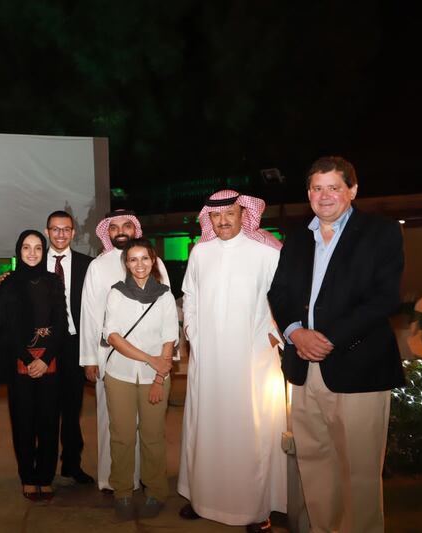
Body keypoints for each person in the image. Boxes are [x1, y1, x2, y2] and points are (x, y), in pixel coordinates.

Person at [268, 156, 405, 533]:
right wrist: (295, 332)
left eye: (333, 187)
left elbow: (385, 298)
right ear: (308, 193)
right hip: (304, 370)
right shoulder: (297, 238)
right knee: (314, 465)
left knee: (359, 472)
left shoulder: (381, 232)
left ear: (352, 190)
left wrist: (327, 339)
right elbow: (278, 293)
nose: (324, 195)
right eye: (316, 187)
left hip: (360, 369)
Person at [177, 190, 286, 533]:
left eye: (230, 215)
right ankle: (202, 497)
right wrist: (192, 330)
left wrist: (273, 334)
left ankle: (255, 510)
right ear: (207, 219)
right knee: (205, 425)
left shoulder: (265, 252)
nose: (222, 222)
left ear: (244, 215)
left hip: (250, 358)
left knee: (249, 430)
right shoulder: (200, 253)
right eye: (215, 217)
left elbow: (283, 298)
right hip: (208, 358)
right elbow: (189, 295)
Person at [80, 209, 170, 491]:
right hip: (111, 359)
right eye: (114, 226)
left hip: (152, 362)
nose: (120, 230)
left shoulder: (157, 266)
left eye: (127, 225)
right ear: (107, 232)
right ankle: (115, 482)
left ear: (136, 230)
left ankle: (148, 478)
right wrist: (89, 358)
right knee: (116, 426)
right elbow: (90, 315)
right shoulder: (98, 266)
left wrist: (163, 364)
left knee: (151, 430)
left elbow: (166, 318)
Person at [103, 238, 179, 521]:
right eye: (133, 259)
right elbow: (113, 336)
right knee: (121, 436)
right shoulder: (116, 294)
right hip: (119, 375)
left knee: (153, 438)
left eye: (144, 258)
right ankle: (122, 491)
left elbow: (169, 338)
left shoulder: (165, 296)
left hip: (154, 378)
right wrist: (149, 359)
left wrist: (159, 377)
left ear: (154, 260)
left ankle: (156, 492)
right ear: (126, 263)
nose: (139, 264)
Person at [0, 230, 68, 500]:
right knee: (23, 422)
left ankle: (46, 476)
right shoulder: (8, 284)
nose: (32, 253)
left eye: (38, 247)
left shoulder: (53, 281)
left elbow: (61, 322)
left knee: (49, 421)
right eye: (26, 247)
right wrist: (29, 359)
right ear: (18, 250)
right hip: (19, 362)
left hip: (50, 360)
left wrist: (45, 358)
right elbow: (5, 329)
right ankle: (28, 476)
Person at [44, 211, 95, 484]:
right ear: (47, 231)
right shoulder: (35, 262)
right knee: (46, 410)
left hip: (76, 345)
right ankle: (46, 466)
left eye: (66, 229)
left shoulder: (89, 265)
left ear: (73, 233)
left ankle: (72, 464)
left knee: (72, 410)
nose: (61, 234)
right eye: (55, 229)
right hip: (44, 349)